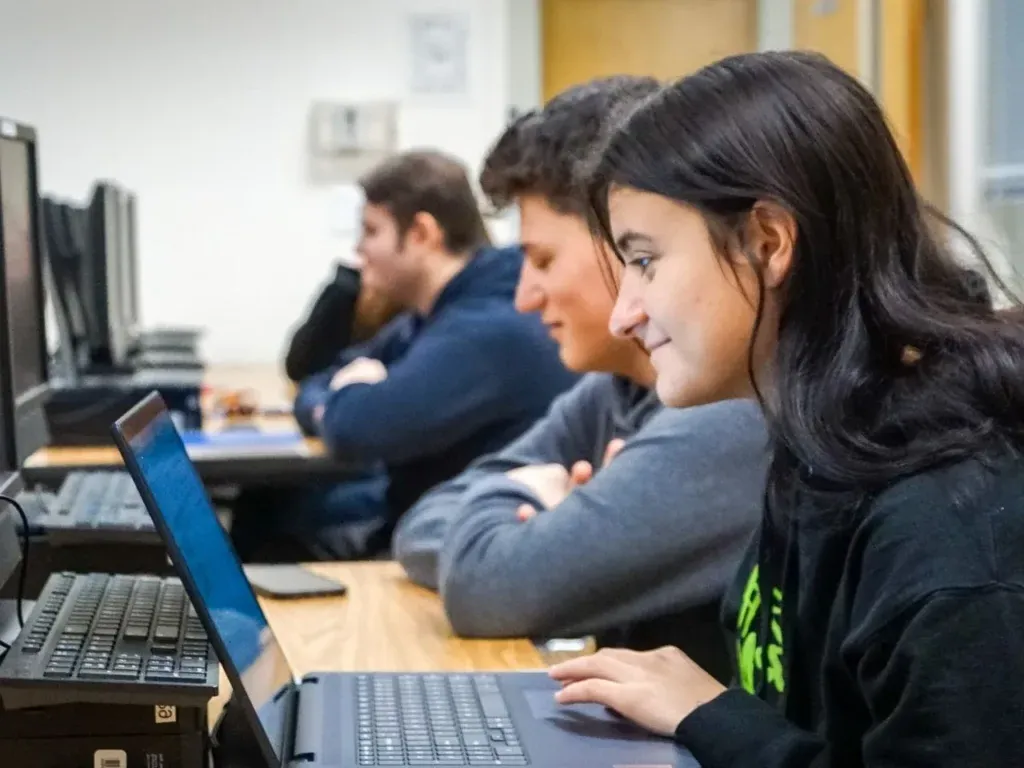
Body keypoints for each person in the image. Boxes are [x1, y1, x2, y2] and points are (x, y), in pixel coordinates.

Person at [546, 51, 1024, 766]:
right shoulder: (826, 440)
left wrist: (713, 717)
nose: (623, 316)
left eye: (645, 261)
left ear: (768, 243)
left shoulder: (944, 531)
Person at [392, 76, 767, 682]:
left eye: (542, 260)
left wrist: (537, 530)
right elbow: (424, 524)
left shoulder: (734, 412)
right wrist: (550, 520)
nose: (523, 297)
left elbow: (486, 585)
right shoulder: (616, 388)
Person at [232, 149, 578, 561]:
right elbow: (321, 378)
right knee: (270, 504)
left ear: (420, 233)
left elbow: (353, 428)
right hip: (423, 511)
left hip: (454, 537)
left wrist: (343, 399)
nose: (359, 249)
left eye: (371, 231)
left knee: (271, 523)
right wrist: (346, 392)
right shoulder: (438, 310)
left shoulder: (483, 328)